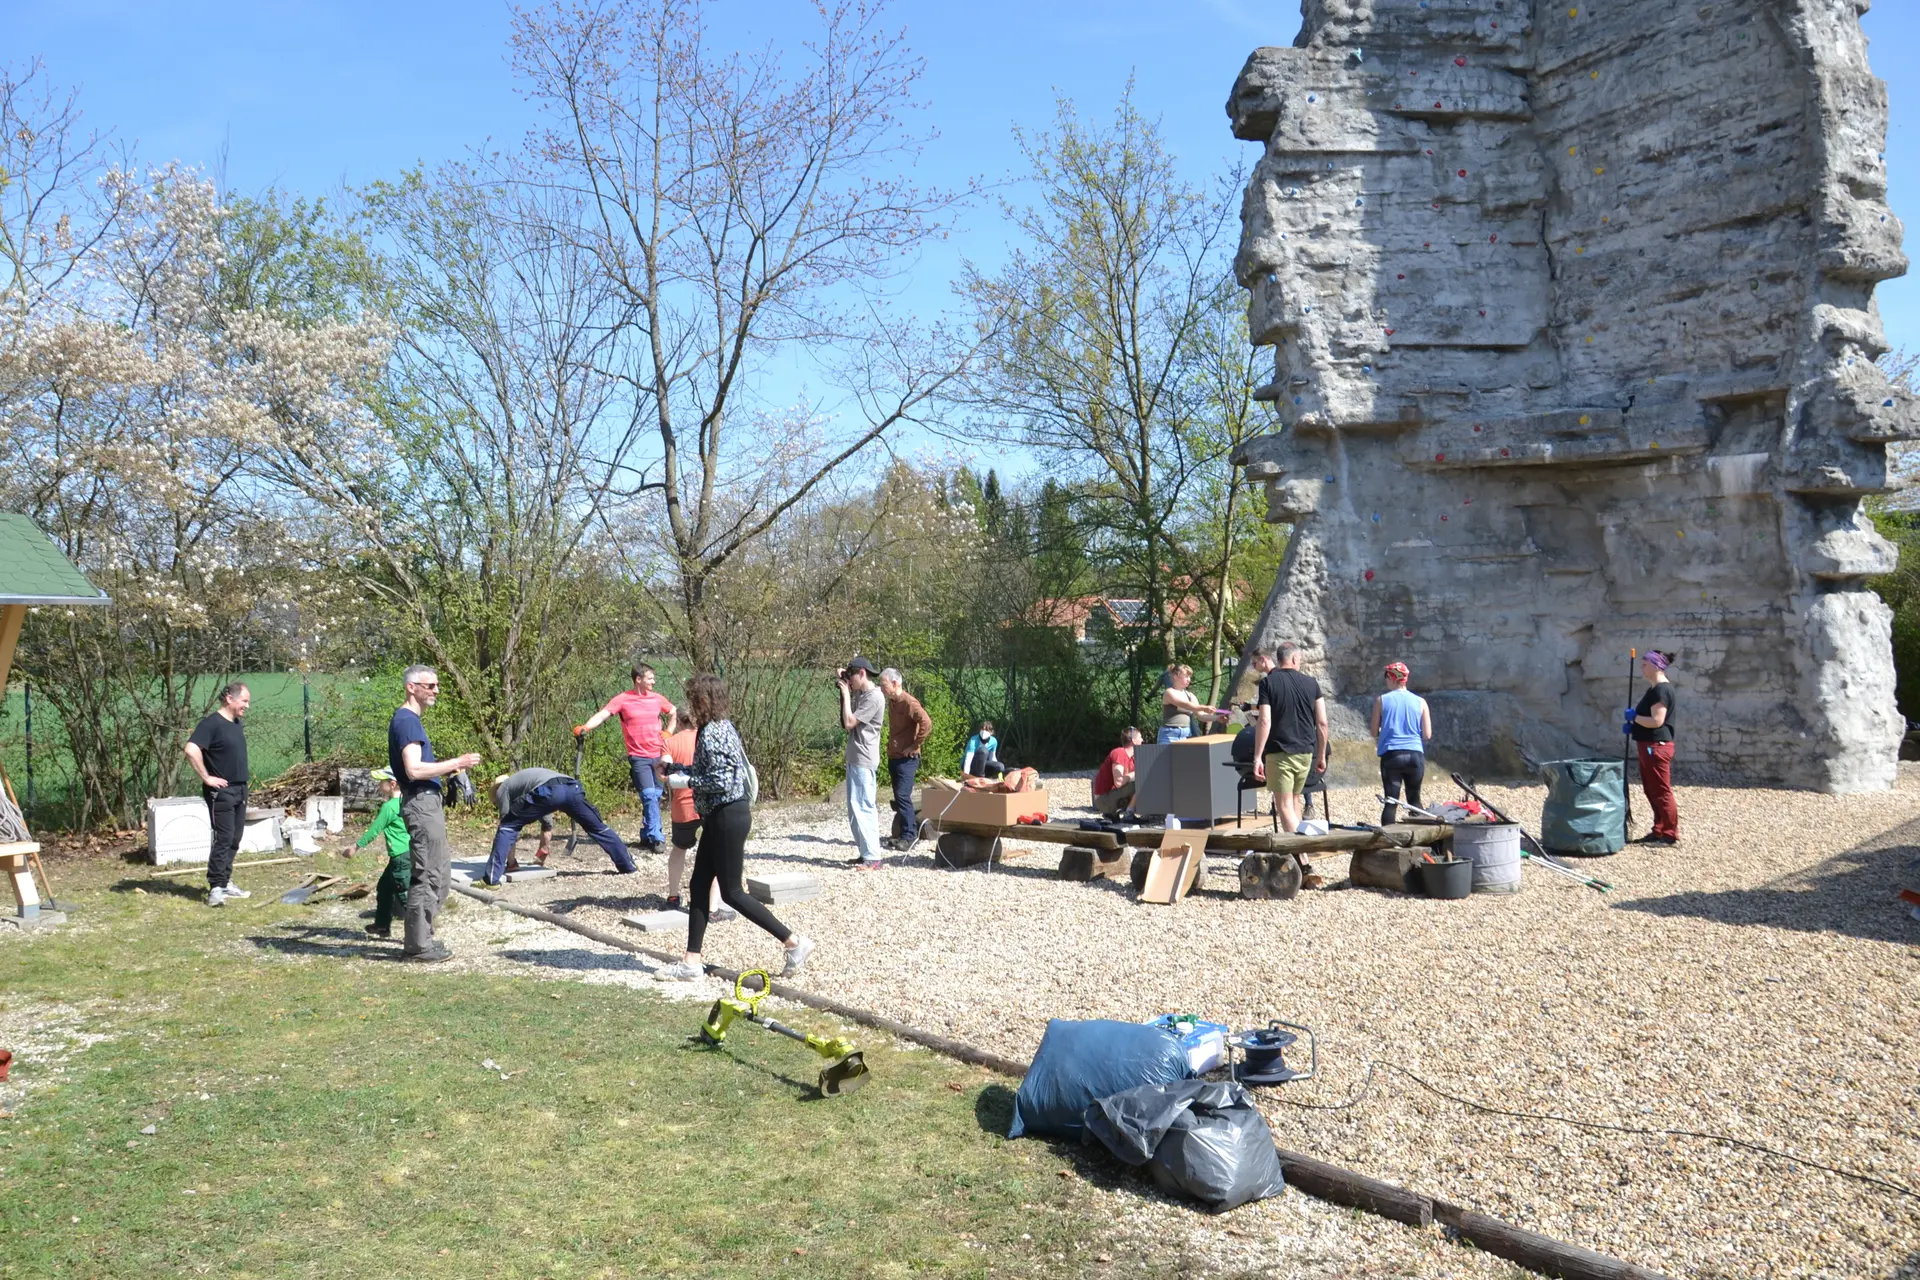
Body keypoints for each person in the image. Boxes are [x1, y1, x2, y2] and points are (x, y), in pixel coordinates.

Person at [656, 674, 814, 981]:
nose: (690, 704)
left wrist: (683, 781)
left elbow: (722, 781)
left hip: (727, 816)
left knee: (731, 893)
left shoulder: (714, 732)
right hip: (720, 816)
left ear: (704, 701)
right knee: (699, 884)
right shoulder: (717, 728)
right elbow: (710, 770)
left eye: (693, 699)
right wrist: (675, 767)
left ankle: (794, 943)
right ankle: (691, 962)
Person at [391, 666, 483, 963]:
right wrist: (458, 761)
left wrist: (451, 772)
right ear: (411, 687)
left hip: (427, 803)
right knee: (429, 874)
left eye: (436, 685)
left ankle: (422, 939)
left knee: (439, 874)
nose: (436, 690)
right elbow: (414, 769)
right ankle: (418, 948)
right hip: (421, 804)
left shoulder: (410, 721)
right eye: (429, 685)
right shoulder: (407, 721)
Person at [576, 664, 677, 853]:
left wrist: (669, 732)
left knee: (654, 796)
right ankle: (657, 838)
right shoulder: (623, 700)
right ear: (638, 679)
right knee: (648, 795)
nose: (654, 682)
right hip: (638, 756)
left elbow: (674, 711)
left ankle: (647, 833)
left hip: (659, 754)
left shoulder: (657, 699)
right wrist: (586, 727)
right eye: (650, 678)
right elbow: (603, 714)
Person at [484, 768, 636, 886]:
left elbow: (507, 825)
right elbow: (546, 819)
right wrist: (544, 847)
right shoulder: (530, 779)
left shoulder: (503, 789)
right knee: (598, 828)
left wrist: (511, 864)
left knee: (507, 827)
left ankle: (491, 879)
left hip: (549, 791)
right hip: (571, 787)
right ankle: (628, 866)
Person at [183, 681, 253, 907]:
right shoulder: (211, 724)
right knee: (223, 838)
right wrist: (207, 777)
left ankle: (225, 881)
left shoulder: (235, 723)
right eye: (244, 701)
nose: (247, 706)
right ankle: (215, 888)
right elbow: (191, 749)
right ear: (229, 698)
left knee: (234, 838)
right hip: (221, 793)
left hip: (240, 789)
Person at [660, 705, 733, 919]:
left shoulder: (669, 742)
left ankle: (673, 897)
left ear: (680, 722)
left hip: (683, 806)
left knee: (679, 849)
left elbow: (664, 773)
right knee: (715, 853)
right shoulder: (706, 738)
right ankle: (712, 908)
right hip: (709, 803)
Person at [1251, 644, 1329, 834]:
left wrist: (1257, 757)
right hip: (1305, 753)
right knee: (1294, 800)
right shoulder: (1312, 683)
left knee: (1284, 805)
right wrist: (1321, 755)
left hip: (1280, 753)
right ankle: (1301, 852)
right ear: (1294, 659)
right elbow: (1322, 723)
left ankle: (1301, 855)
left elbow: (1264, 721)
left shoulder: (1268, 683)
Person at [837, 656, 886, 869]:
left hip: (864, 758)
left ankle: (873, 857)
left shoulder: (874, 698)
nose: (851, 682)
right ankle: (866, 852)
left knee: (864, 806)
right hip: (856, 758)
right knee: (854, 808)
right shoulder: (863, 694)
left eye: (852, 676)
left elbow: (848, 722)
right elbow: (845, 718)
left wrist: (846, 693)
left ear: (862, 673)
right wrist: (845, 686)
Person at [877, 668, 933, 852]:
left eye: (883, 685)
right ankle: (902, 834)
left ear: (895, 683)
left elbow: (926, 722)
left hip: (907, 759)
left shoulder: (909, 702)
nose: (881, 689)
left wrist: (915, 745)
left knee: (902, 796)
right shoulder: (893, 702)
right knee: (899, 797)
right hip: (895, 756)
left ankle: (910, 836)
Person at [1370, 662, 1433, 824]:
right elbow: (1427, 734)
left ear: (1391, 678)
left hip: (1392, 755)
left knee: (1391, 802)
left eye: (1386, 677)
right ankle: (1419, 841)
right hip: (1415, 755)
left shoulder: (1381, 700)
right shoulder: (1420, 702)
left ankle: (1388, 842)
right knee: (1415, 802)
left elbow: (1373, 731)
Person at [1629, 650, 1679, 845]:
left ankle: (1669, 834)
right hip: (1649, 745)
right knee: (1651, 789)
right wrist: (1634, 725)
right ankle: (1659, 829)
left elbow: (1657, 721)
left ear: (1656, 665)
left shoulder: (1661, 690)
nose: (1642, 667)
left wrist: (1634, 718)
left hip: (1656, 745)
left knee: (1661, 790)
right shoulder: (1654, 689)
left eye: (1645, 664)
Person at [357, 768, 410, 939]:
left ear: (393, 784)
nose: (379, 785)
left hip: (400, 857)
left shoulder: (389, 807)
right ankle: (382, 926)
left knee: (405, 895)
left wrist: (355, 847)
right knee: (385, 887)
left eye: (382, 782)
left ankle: (421, 934)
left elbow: (374, 830)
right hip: (408, 853)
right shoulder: (407, 801)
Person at [1159, 665, 1228, 744]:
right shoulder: (1169, 693)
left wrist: (1217, 718)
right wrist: (1204, 708)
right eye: (1186, 676)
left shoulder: (1190, 696)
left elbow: (1201, 716)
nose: (1189, 680)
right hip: (1168, 736)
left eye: (1189, 677)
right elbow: (1186, 705)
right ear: (1175, 676)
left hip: (1185, 736)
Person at [1093, 727, 1143, 818]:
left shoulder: (1132, 759)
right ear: (1134, 741)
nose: (1142, 740)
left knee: (1141, 780)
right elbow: (1118, 782)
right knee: (1141, 781)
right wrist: (1134, 774)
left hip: (1112, 797)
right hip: (1104, 800)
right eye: (1140, 738)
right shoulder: (1119, 753)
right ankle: (1129, 815)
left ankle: (1121, 813)